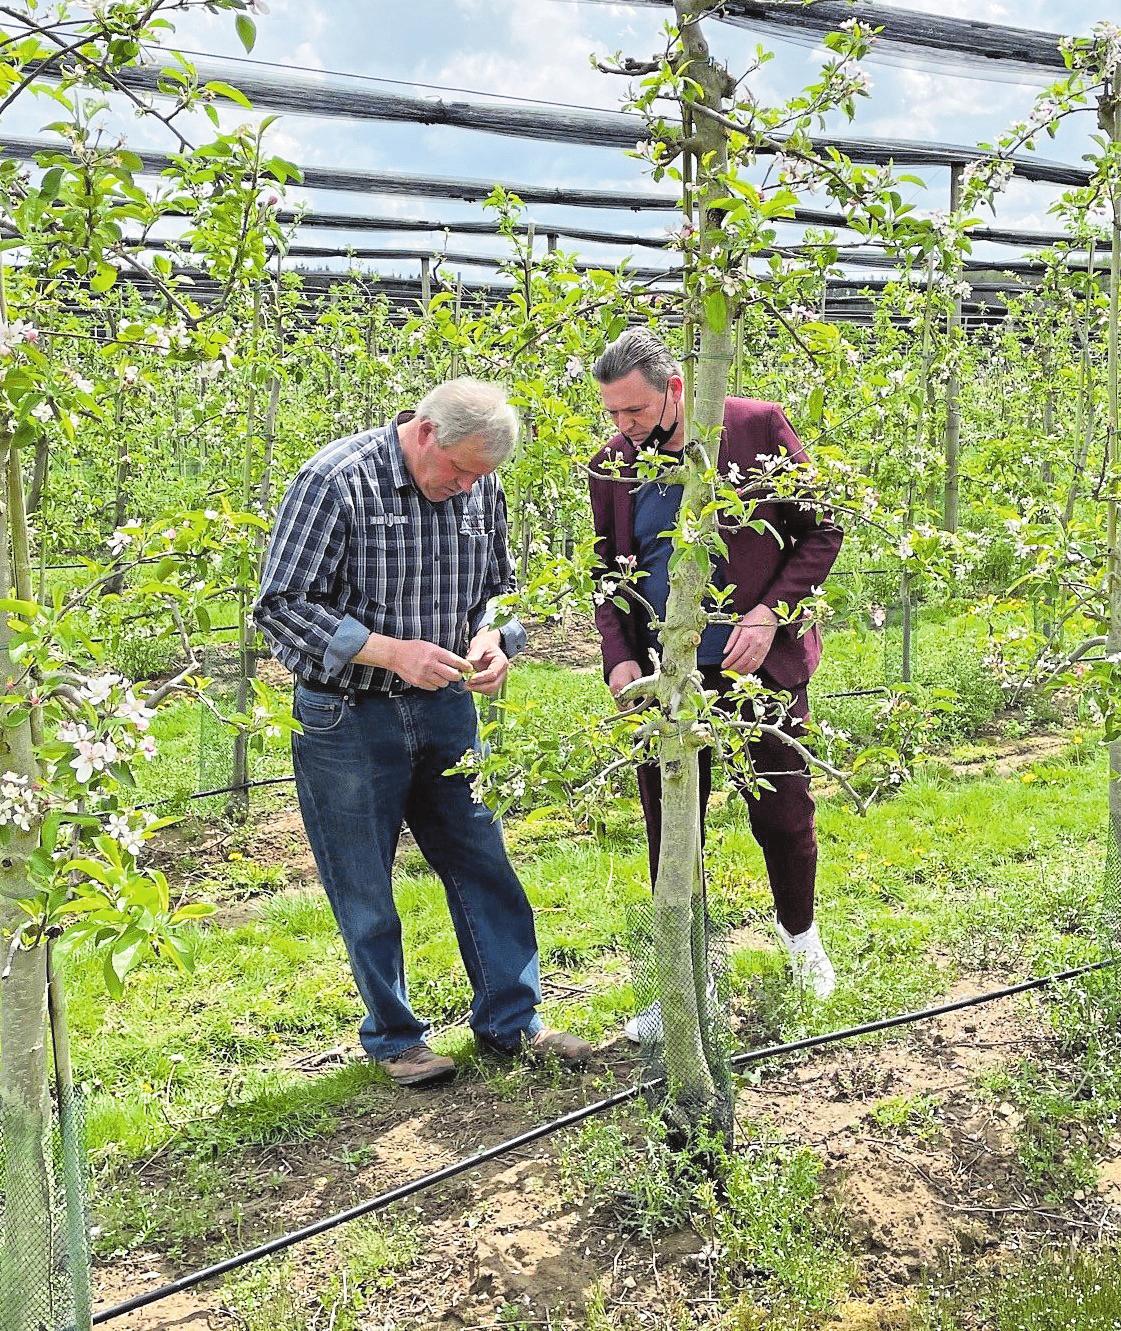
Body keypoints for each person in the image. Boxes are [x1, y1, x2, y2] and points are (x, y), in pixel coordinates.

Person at [255, 378, 592, 1086]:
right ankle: (396, 1036)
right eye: (459, 470)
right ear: (426, 432)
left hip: (445, 709)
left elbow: (500, 588)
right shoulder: (335, 481)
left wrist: (498, 636)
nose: (465, 485)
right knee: (364, 885)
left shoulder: (478, 486)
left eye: (480, 477)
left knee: (482, 862)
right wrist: (387, 649)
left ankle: (512, 1021)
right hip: (348, 713)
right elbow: (281, 604)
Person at [587, 330, 843, 1041]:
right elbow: (607, 574)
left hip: (754, 665)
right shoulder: (612, 465)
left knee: (783, 808)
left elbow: (821, 531)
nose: (622, 427)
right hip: (665, 680)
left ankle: (802, 945)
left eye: (633, 411)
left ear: (674, 390)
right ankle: (684, 981)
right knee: (672, 828)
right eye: (611, 413)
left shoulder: (755, 428)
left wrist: (769, 614)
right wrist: (618, 656)